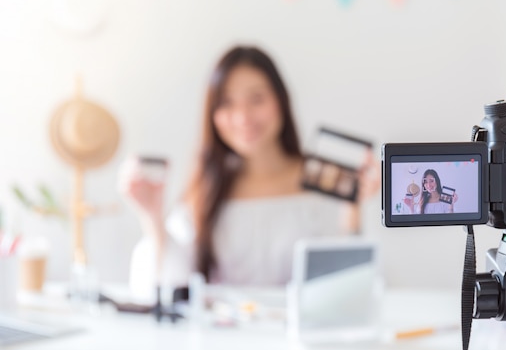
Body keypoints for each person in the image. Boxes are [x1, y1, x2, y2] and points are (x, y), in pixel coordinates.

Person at [119, 45, 377, 300]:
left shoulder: (323, 181)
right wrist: (152, 217)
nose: (243, 117)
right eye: (227, 103)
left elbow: (348, 287)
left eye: (257, 99)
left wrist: (353, 206)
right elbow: (167, 289)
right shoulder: (204, 188)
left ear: (281, 101)